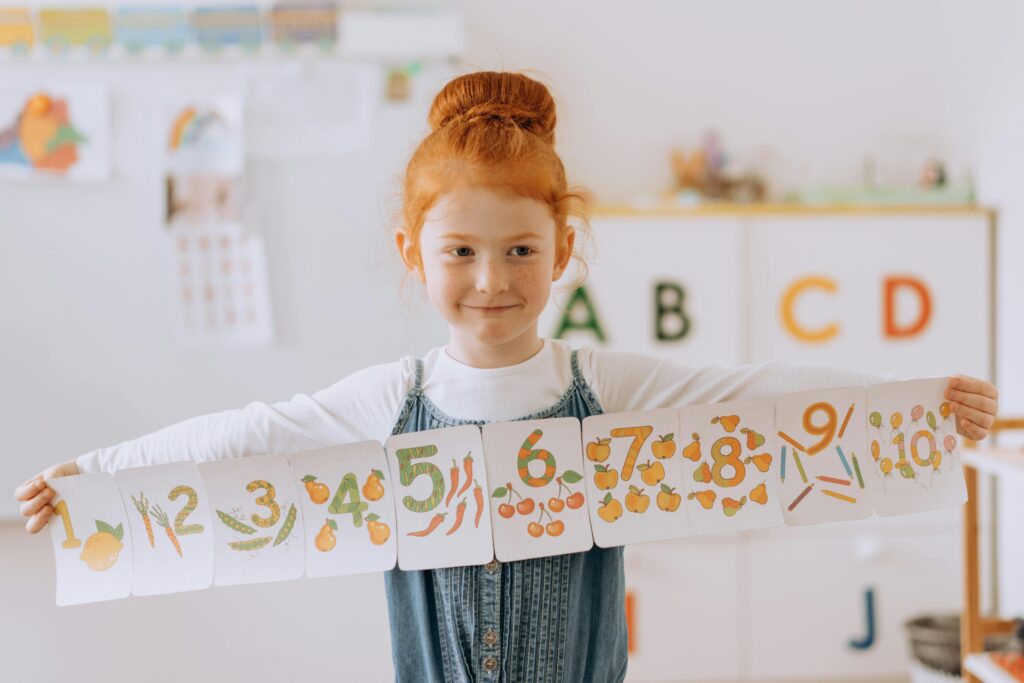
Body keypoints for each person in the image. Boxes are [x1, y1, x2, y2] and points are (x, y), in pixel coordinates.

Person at [13, 71, 999, 682]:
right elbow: (247, 434)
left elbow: (754, 392)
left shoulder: (601, 382)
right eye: (462, 254)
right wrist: (90, 475)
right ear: (413, 252)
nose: (492, 281)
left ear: (563, 247)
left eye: (522, 250)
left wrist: (916, 400)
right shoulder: (388, 401)